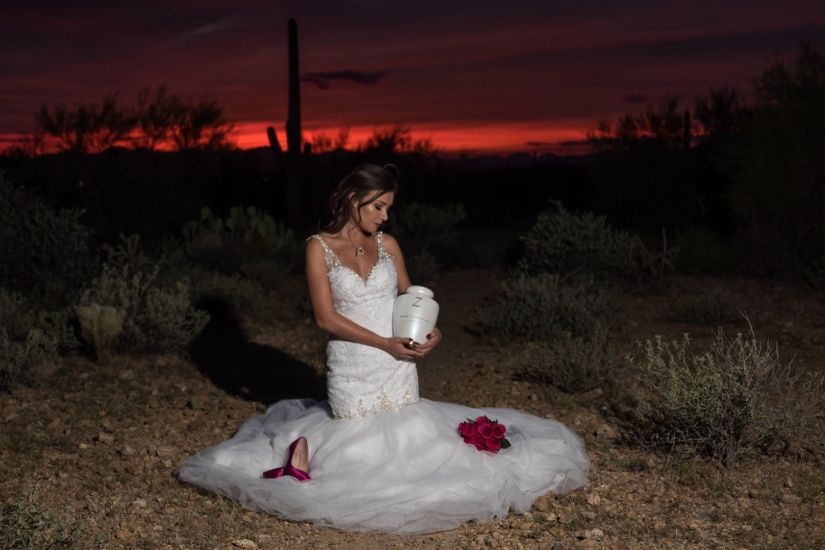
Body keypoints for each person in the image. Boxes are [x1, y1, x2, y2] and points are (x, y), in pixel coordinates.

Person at [175, 164, 590, 535]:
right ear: (354, 201)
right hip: (353, 362)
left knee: (413, 434)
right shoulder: (317, 247)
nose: (385, 216)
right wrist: (382, 343)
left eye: (389, 207)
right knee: (358, 448)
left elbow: (412, 295)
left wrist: (431, 330)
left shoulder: (388, 244)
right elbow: (325, 318)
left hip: (398, 362)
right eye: (378, 206)